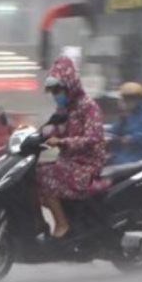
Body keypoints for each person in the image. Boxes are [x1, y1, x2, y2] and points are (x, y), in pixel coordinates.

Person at [38, 55, 107, 238]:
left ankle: (62, 225)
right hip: (69, 162)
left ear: (70, 85)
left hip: (87, 166)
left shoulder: (88, 107)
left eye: (58, 90)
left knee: (45, 171)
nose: (55, 95)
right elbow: (53, 129)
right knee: (32, 173)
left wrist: (62, 142)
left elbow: (93, 137)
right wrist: (33, 136)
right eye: (53, 91)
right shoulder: (63, 109)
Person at [109, 82, 142, 165]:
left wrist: (132, 138)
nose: (126, 102)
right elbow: (114, 130)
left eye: (130, 99)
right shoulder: (126, 116)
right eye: (125, 99)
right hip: (128, 157)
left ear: (139, 100)